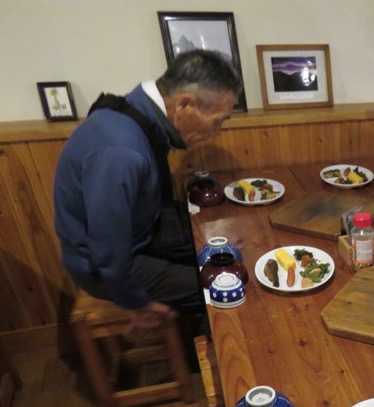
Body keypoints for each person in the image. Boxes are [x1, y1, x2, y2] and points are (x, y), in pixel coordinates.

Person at [54, 50, 241, 332]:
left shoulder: (137, 112)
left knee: (223, 242)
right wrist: (136, 303)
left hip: (139, 229)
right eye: (217, 121)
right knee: (219, 285)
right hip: (102, 263)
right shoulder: (121, 151)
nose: (217, 132)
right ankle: (211, 362)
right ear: (184, 105)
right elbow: (107, 250)